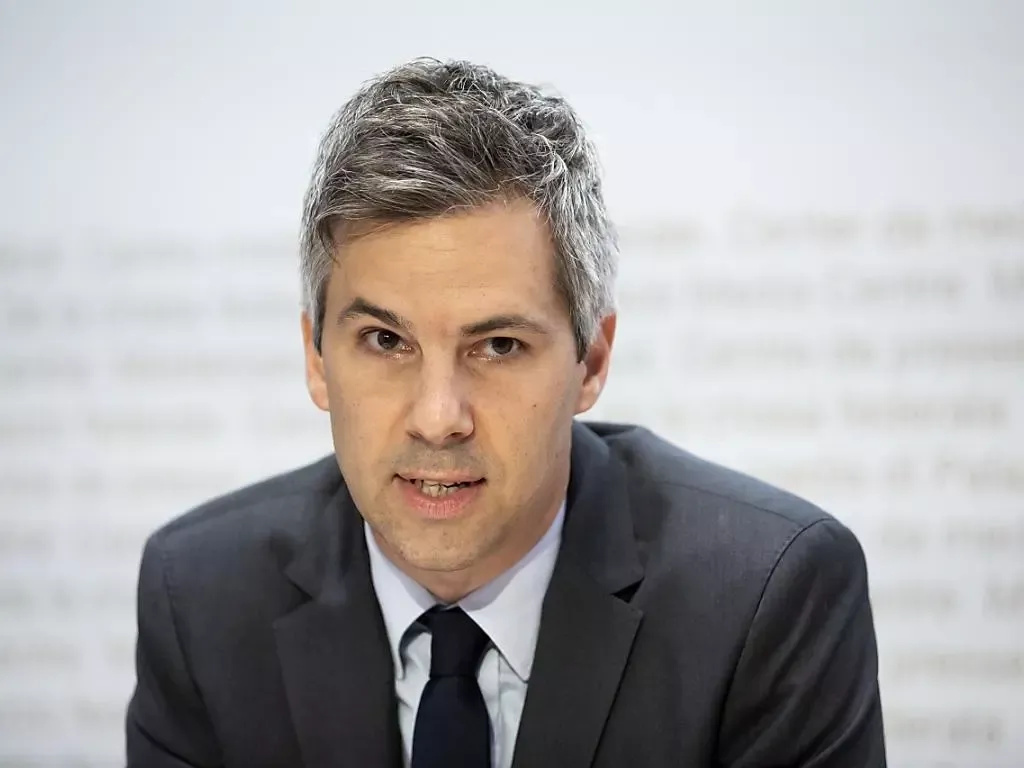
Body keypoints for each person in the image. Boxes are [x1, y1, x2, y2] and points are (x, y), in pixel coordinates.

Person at [125, 57, 886, 768]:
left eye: (497, 346)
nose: (438, 418)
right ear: (316, 358)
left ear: (592, 361)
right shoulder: (201, 597)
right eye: (385, 340)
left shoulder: (766, 597)